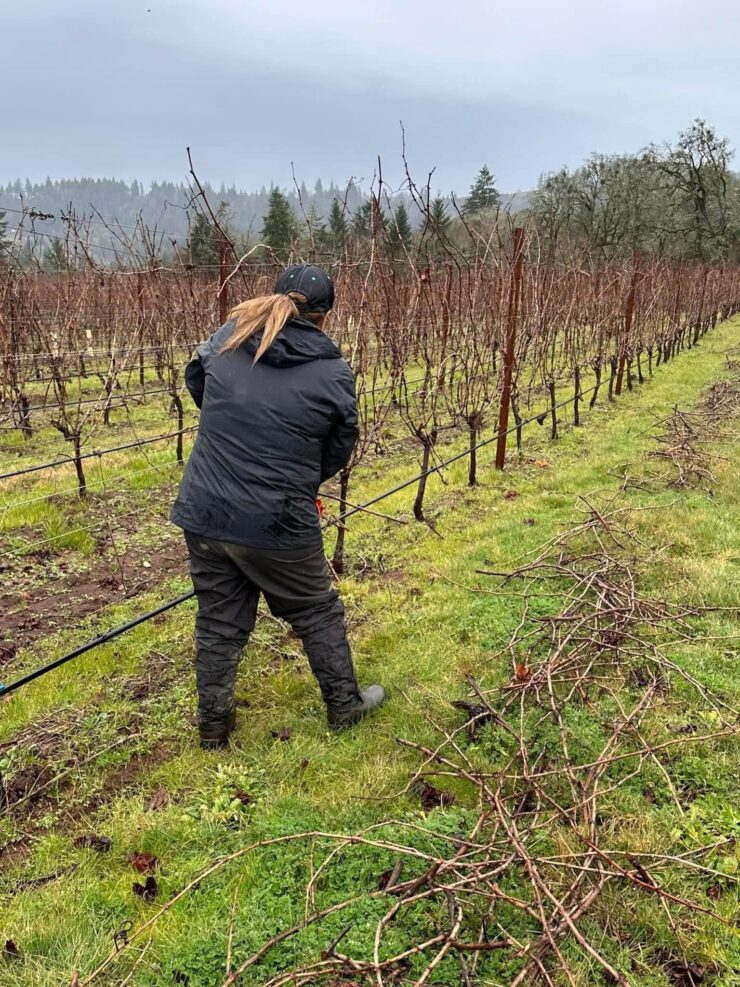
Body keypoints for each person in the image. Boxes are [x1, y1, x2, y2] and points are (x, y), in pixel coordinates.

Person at [171, 264, 385, 749]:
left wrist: (233, 428)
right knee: (316, 610)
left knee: (219, 620)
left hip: (205, 511)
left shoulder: (229, 336)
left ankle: (213, 728)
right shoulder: (332, 372)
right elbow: (340, 443)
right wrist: (300, 478)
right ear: (325, 317)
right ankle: (345, 707)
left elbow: (195, 378)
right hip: (279, 520)